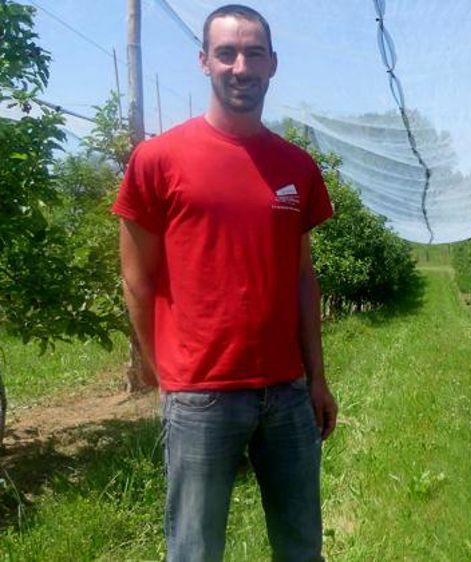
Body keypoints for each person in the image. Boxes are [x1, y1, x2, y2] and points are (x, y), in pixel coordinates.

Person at [114, 5, 337, 560]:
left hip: (285, 391)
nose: (241, 66)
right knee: (194, 548)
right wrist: (165, 371)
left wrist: (317, 379)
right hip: (201, 394)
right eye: (227, 53)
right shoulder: (158, 160)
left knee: (301, 545)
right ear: (204, 62)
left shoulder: (296, 166)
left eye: (254, 53)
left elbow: (301, 278)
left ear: (273, 65)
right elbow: (136, 280)